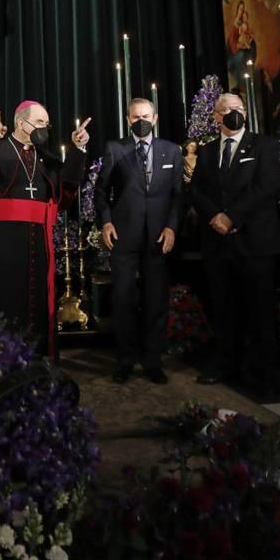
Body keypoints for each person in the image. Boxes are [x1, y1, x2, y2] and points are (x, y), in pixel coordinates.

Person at [0, 103, 90, 357]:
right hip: (4, 242)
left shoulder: (45, 157)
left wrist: (77, 150)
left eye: (47, 124)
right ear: (21, 123)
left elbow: (64, 191)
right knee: (5, 299)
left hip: (38, 241)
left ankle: (36, 359)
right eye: (40, 122)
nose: (45, 129)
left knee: (37, 304)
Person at [189, 92, 280, 395]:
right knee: (223, 307)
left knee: (259, 308)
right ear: (216, 117)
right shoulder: (205, 152)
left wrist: (231, 217)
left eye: (239, 109)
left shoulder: (265, 145)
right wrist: (215, 217)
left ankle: (262, 370)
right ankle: (225, 362)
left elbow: (266, 186)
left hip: (255, 240)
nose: (234, 113)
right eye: (227, 110)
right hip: (218, 243)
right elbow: (195, 190)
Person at [94, 99, 183, 384]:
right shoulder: (115, 149)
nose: (141, 120)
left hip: (158, 237)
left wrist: (171, 228)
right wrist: (106, 221)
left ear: (155, 118)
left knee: (156, 299)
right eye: (136, 116)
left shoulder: (172, 150)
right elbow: (100, 191)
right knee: (123, 298)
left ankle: (152, 359)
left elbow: (179, 196)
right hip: (123, 235)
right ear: (127, 118)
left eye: (146, 116)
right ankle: (125, 359)